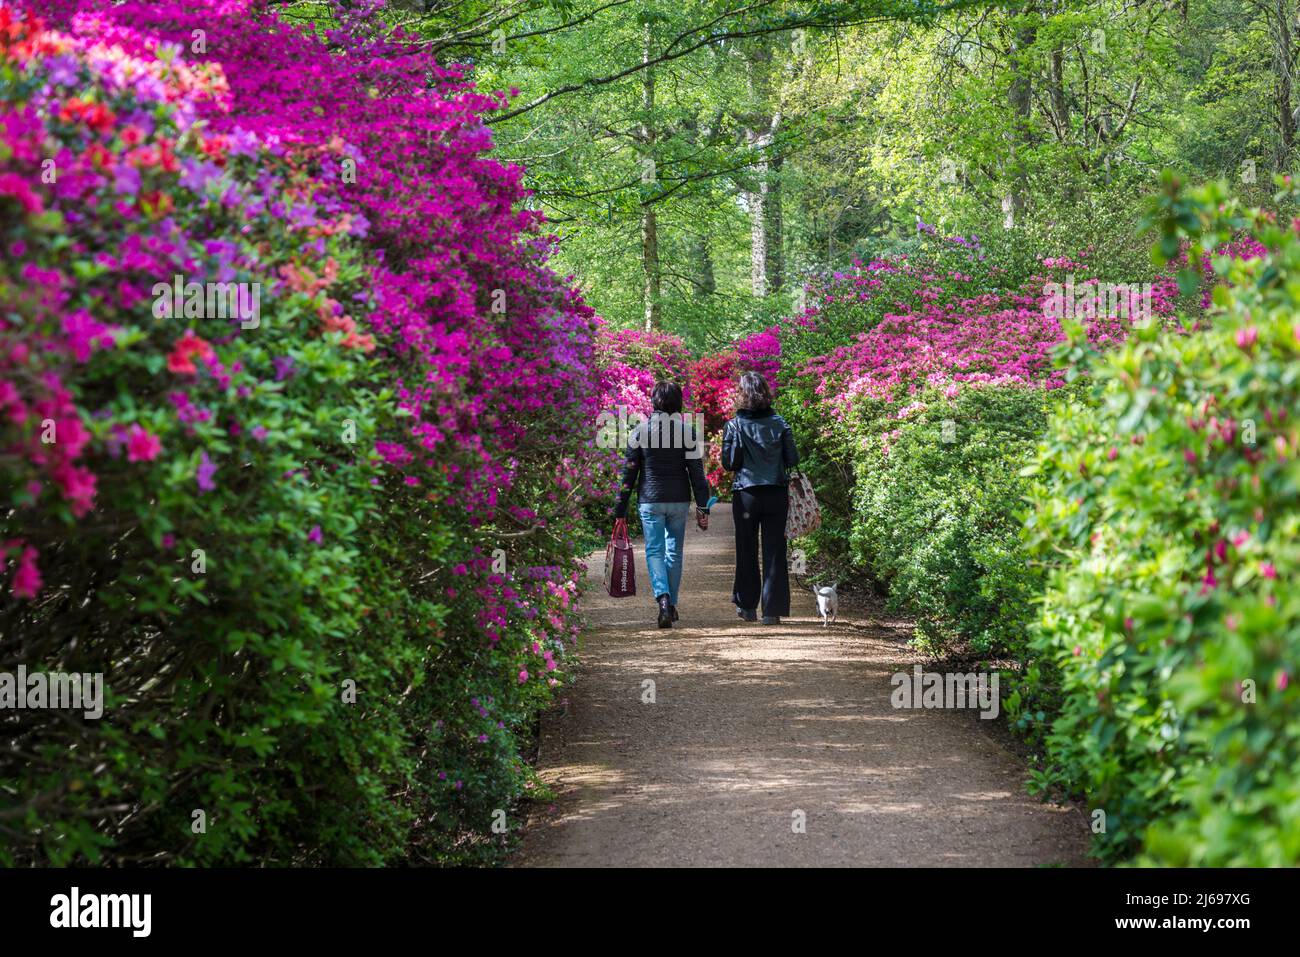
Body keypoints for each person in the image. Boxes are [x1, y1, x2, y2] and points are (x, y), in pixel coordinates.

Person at [613, 382, 712, 629]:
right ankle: (672, 604)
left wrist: (619, 511)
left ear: (654, 401)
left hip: (650, 500)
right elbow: (697, 475)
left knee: (654, 551)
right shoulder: (687, 432)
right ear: (678, 402)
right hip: (679, 500)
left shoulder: (639, 431)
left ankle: (663, 600)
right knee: (674, 552)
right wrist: (703, 507)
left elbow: (628, 475)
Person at [722, 371, 799, 625]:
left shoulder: (734, 425)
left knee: (746, 549)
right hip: (776, 492)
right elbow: (792, 459)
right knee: (775, 550)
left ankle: (747, 606)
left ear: (742, 395)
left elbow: (729, 463)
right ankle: (772, 610)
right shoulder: (780, 423)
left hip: (746, 494)